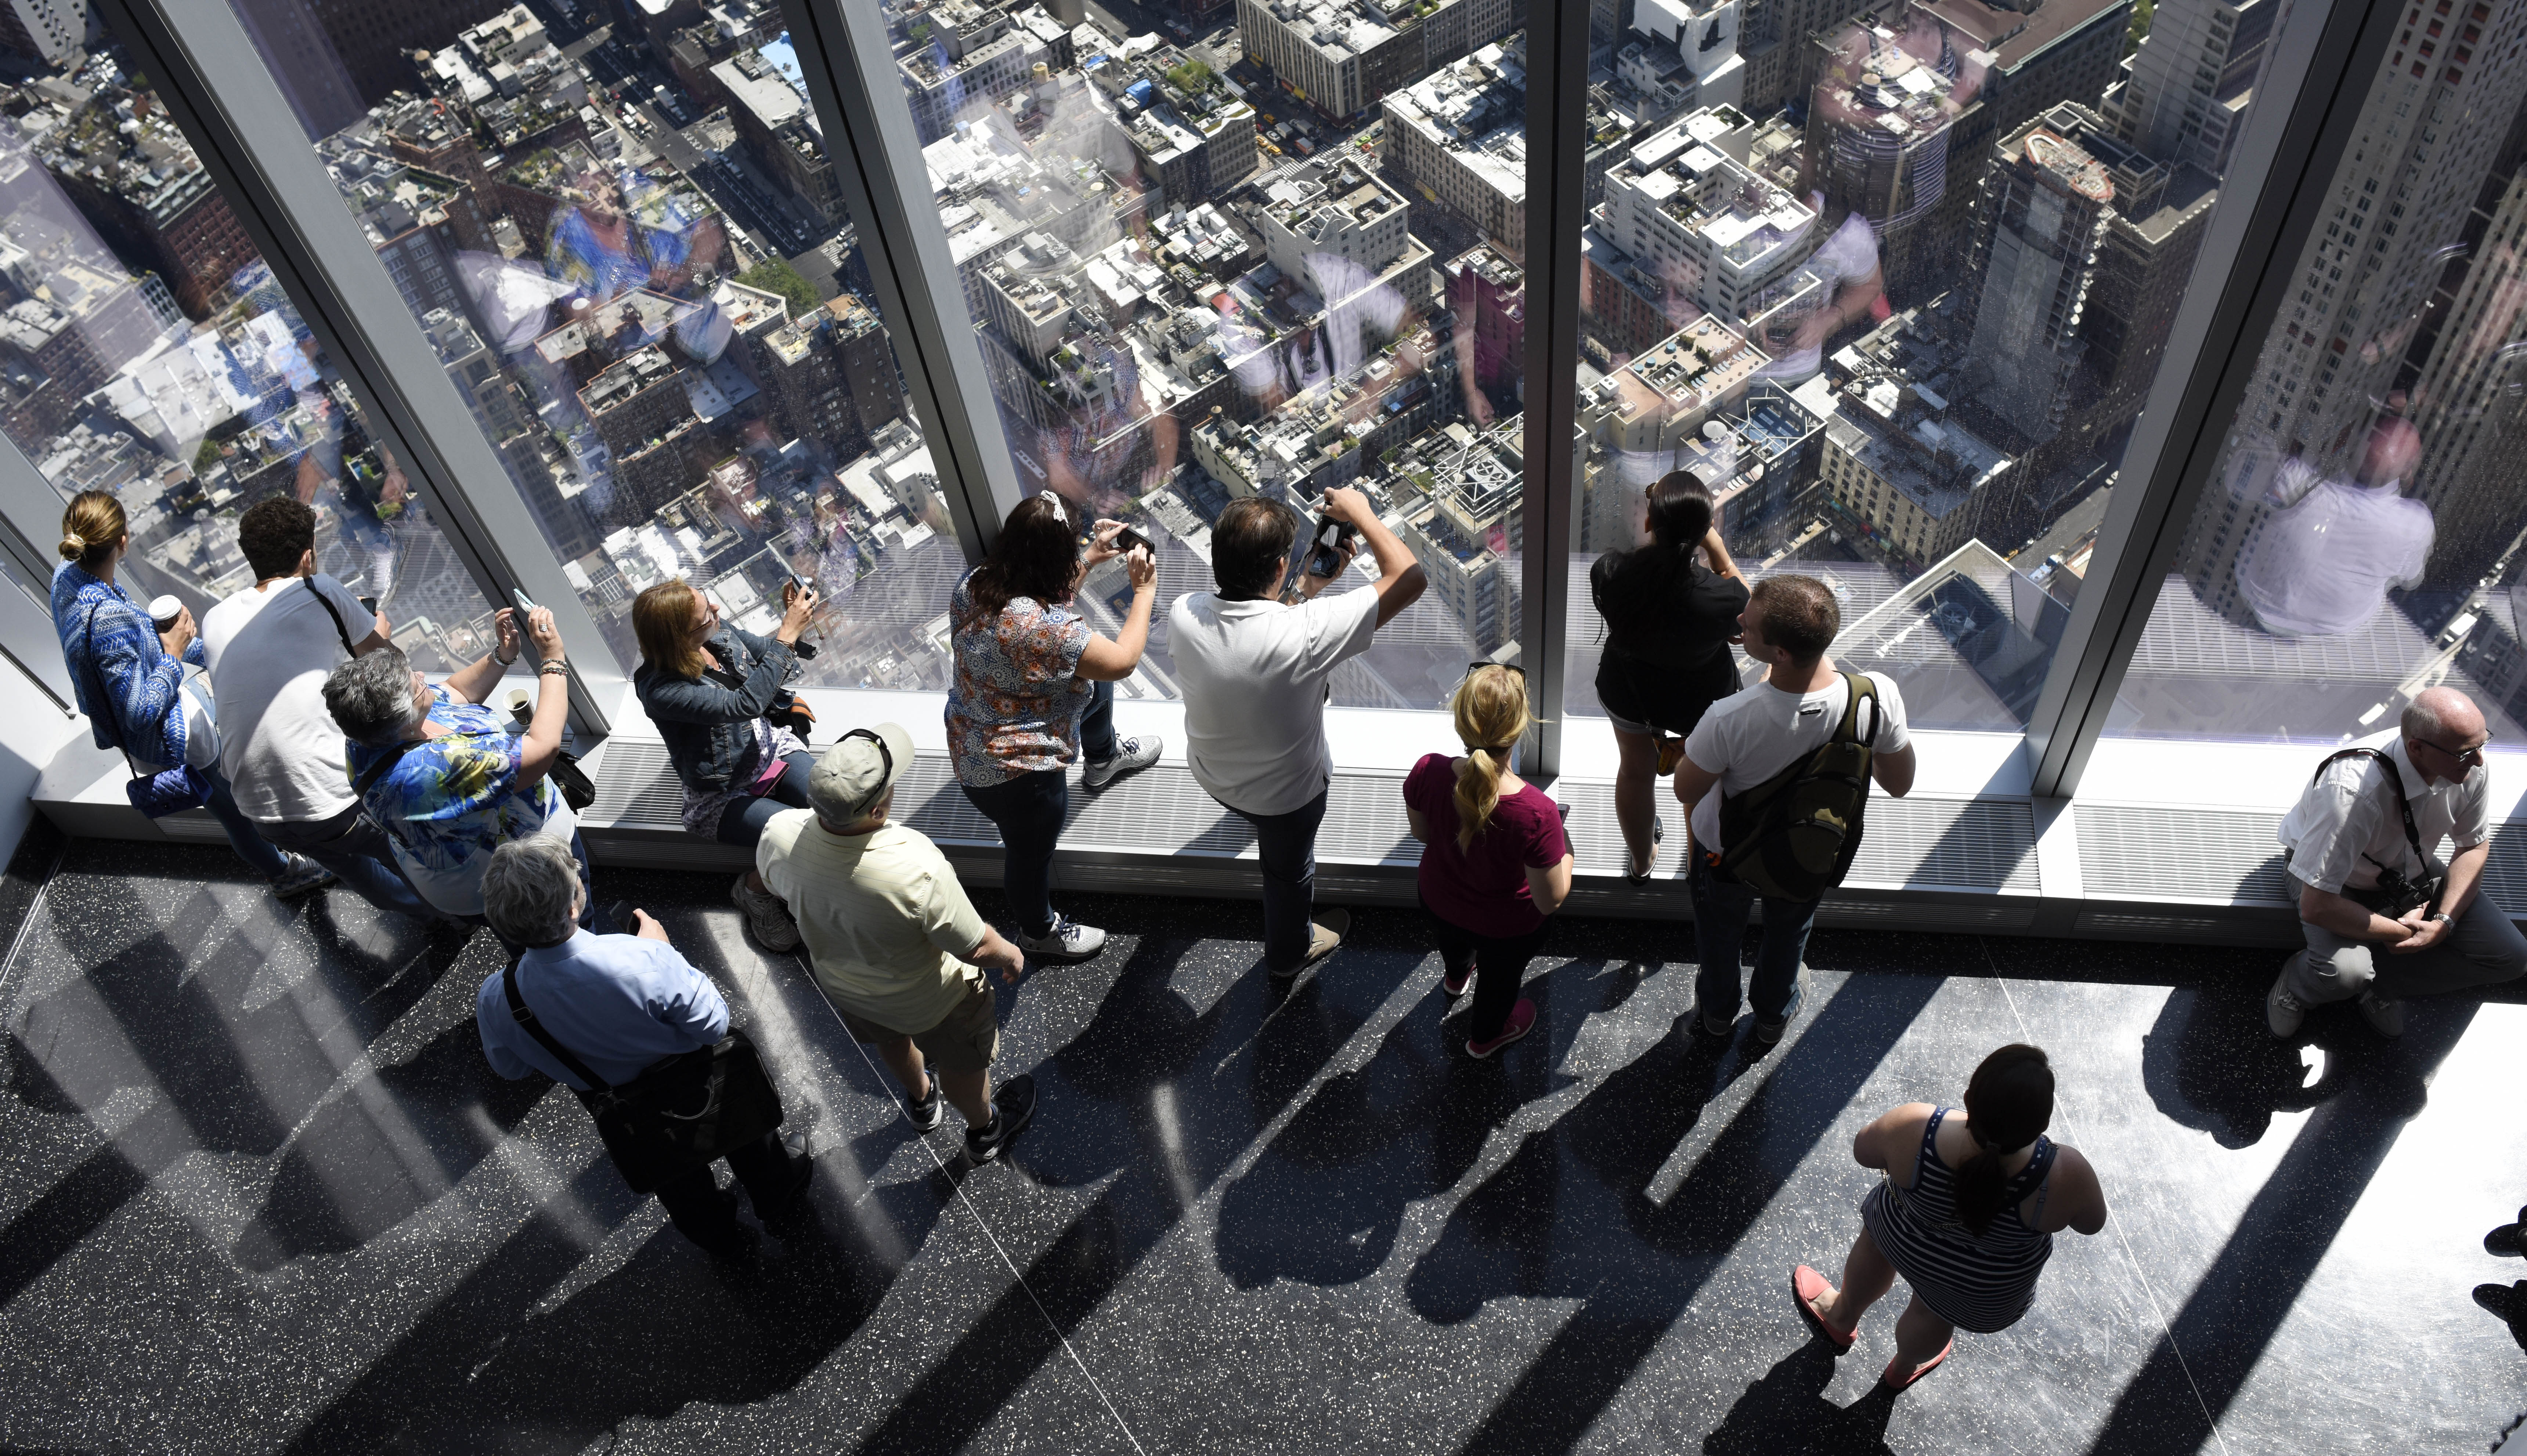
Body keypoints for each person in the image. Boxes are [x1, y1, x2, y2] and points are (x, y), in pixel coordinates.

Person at [472, 836, 810, 1265]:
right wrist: (664, 951)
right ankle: (778, 1197)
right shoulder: (641, 958)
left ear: (501, 922)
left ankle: (720, 1240)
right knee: (748, 1136)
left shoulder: (499, 998)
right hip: (705, 1077)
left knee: (676, 1179)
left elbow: (510, 1068)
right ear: (574, 907)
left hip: (623, 1110)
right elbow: (713, 1025)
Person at [1169, 488, 1427, 978]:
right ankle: (1289, 954)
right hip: (1287, 799)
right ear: (1281, 565)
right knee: (1287, 874)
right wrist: (1362, 514)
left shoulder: (1185, 611)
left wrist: (1304, 588)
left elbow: (1253, 627)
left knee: (1263, 821)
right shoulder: (1306, 633)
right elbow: (1410, 578)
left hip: (1212, 774)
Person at [755, 723, 1039, 1163]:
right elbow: (974, 948)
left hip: (848, 989)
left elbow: (780, 888)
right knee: (963, 1066)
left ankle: (923, 1102)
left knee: (891, 1041)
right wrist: (1012, 953)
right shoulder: (914, 864)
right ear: (875, 812)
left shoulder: (778, 831)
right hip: (936, 999)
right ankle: (985, 1129)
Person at [49, 490, 332, 898]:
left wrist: (201, 647)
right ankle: (285, 874)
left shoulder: (69, 576)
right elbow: (140, 711)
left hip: (137, 716)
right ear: (123, 541)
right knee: (238, 816)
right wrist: (174, 654)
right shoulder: (108, 617)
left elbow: (124, 650)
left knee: (232, 803)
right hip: (167, 737)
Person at [1673, 575, 1916, 1042]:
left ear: (1779, 654)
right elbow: (1898, 783)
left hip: (1727, 853)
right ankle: (1771, 1017)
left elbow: (1687, 789)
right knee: (1789, 933)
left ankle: (1718, 1013)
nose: (1739, 619)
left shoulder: (1728, 718)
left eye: (1751, 623)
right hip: (1809, 849)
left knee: (1720, 934)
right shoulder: (1875, 696)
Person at [1793, 1044, 2107, 1390]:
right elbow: (2091, 1224)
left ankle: (1840, 1317)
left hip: (1900, 1237)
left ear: (1969, 1098)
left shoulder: (1916, 1125)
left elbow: (1863, 1152)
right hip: (1979, 1285)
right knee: (1933, 1313)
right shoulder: (2065, 1175)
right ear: (2042, 1123)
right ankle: (1903, 1369)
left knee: (1874, 1249)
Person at [199, 497, 439, 921]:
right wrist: (376, 629)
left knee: (354, 871)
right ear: (308, 554)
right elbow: (392, 670)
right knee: (408, 856)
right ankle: (450, 910)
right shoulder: (320, 590)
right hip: (331, 801)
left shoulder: (216, 619)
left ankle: (422, 914)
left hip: (258, 812)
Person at [949, 495, 1164, 963]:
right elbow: (1122, 661)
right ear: (1053, 559)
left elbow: (1043, 619)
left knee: (1090, 683)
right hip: (1018, 775)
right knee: (1030, 858)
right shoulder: (1047, 632)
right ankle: (1038, 931)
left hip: (969, 738)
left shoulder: (977, 583)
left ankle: (1103, 757)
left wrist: (1087, 557)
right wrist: (1143, 590)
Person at [2267, 686, 2527, 1039]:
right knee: (2345, 974)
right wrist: (2412, 933)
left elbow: (2472, 847)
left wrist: (2443, 923)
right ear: (2416, 748)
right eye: (2467, 752)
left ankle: (2380, 986)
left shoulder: (2464, 763)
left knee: (2511, 956)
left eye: (2483, 744)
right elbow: (2318, 905)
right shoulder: (2352, 792)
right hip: (2334, 882)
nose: (2480, 760)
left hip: (2405, 872)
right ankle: (2299, 985)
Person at [322, 604, 584, 927]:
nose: (422, 678)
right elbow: (542, 747)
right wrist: (553, 659)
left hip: (460, 862)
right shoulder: (429, 771)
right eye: (416, 684)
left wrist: (502, 656)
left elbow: (455, 692)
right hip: (516, 874)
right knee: (563, 926)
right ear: (404, 719)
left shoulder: (369, 731)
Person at [631, 577, 821, 952]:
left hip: (768, 748)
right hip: (721, 791)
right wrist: (786, 637)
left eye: (709, 604)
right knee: (805, 841)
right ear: (679, 637)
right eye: (705, 616)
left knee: (837, 801)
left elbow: (769, 654)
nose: (716, 612)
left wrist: (792, 626)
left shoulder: (714, 634)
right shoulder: (660, 690)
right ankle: (753, 890)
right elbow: (742, 706)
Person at [1402, 663, 1573, 1058]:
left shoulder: (1428, 770)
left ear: (1460, 719)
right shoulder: (1536, 812)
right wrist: (1565, 851)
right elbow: (1549, 901)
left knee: (1453, 942)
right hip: (1505, 927)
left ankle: (1456, 976)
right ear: (1519, 728)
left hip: (1438, 899)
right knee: (1499, 982)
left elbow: (1423, 835)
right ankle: (1484, 1038)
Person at [1591, 471, 1750, 883]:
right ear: (1702, 532)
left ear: (1648, 523)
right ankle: (1699, 871)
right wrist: (1716, 549)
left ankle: (1641, 862)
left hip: (1630, 692)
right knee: (1702, 785)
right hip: (1702, 701)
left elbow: (1648, 591)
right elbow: (1748, 618)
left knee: (1634, 771)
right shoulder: (1721, 597)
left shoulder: (1609, 573)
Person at [2234, 413, 2432, 639]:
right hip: (2334, 633)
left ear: (2352, 448)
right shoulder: (2415, 526)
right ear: (2407, 473)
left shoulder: (2294, 481)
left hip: (2257, 602)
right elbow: (2409, 576)